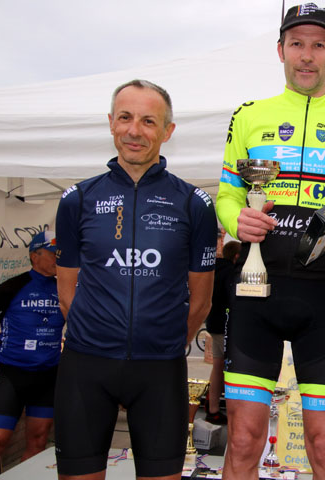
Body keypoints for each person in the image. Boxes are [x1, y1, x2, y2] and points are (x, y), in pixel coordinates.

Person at [215, 4, 325, 479]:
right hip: (254, 293)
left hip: (323, 296)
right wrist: (237, 219)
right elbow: (226, 195)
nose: (307, 56)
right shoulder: (250, 115)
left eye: (318, 45)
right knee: (244, 441)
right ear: (280, 51)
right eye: (297, 44)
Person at [54, 79, 218, 480]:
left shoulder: (193, 204)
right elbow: (66, 290)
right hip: (86, 368)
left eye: (149, 121)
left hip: (159, 370)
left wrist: (163, 339)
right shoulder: (77, 199)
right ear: (111, 123)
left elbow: (201, 299)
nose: (134, 130)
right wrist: (97, 333)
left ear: (168, 132)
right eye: (125, 117)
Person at [0, 231, 63, 480]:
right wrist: (11, 345)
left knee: (37, 442)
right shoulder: (11, 287)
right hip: (13, 375)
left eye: (60, 254)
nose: (58, 258)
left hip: (48, 375)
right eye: (53, 253)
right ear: (35, 255)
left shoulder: (64, 288)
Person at [205, 240, 241, 425]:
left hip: (214, 323)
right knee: (228, 369)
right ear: (236, 256)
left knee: (218, 367)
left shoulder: (215, 269)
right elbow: (232, 297)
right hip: (225, 324)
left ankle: (212, 409)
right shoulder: (230, 273)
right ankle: (221, 411)